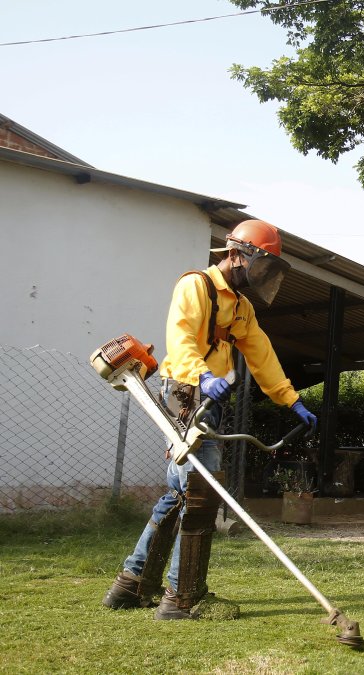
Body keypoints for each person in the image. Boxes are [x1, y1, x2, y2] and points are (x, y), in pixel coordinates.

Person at [102, 219, 318, 619]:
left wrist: (292, 401)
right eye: (261, 264)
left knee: (179, 494)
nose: (262, 275)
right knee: (201, 492)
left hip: (209, 399)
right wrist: (202, 375)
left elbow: (261, 354)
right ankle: (182, 598)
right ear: (236, 253)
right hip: (185, 393)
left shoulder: (241, 307)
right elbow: (180, 336)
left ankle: (131, 585)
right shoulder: (196, 285)